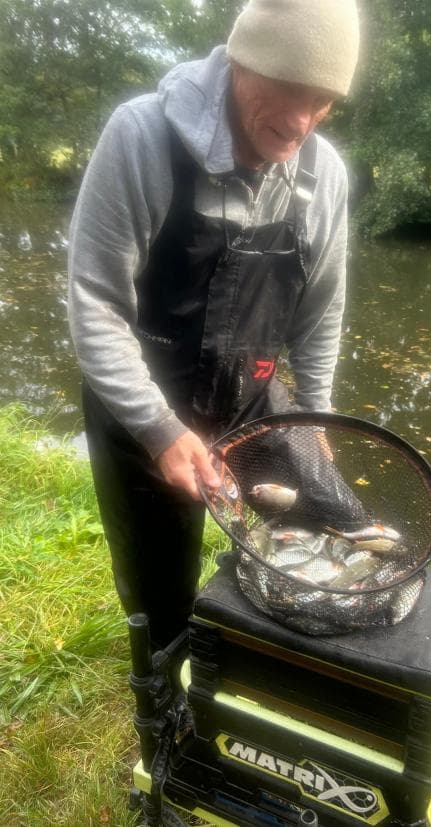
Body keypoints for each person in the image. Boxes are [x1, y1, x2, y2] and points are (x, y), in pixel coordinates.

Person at [68, 0, 360, 650]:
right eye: (288, 92)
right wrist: (160, 430)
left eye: (323, 102)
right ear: (239, 63)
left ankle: (296, 706)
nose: (299, 123)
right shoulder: (141, 137)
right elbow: (95, 304)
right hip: (143, 406)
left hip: (253, 403)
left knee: (339, 533)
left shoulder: (323, 174)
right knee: (162, 601)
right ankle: (168, 728)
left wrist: (315, 413)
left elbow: (320, 312)